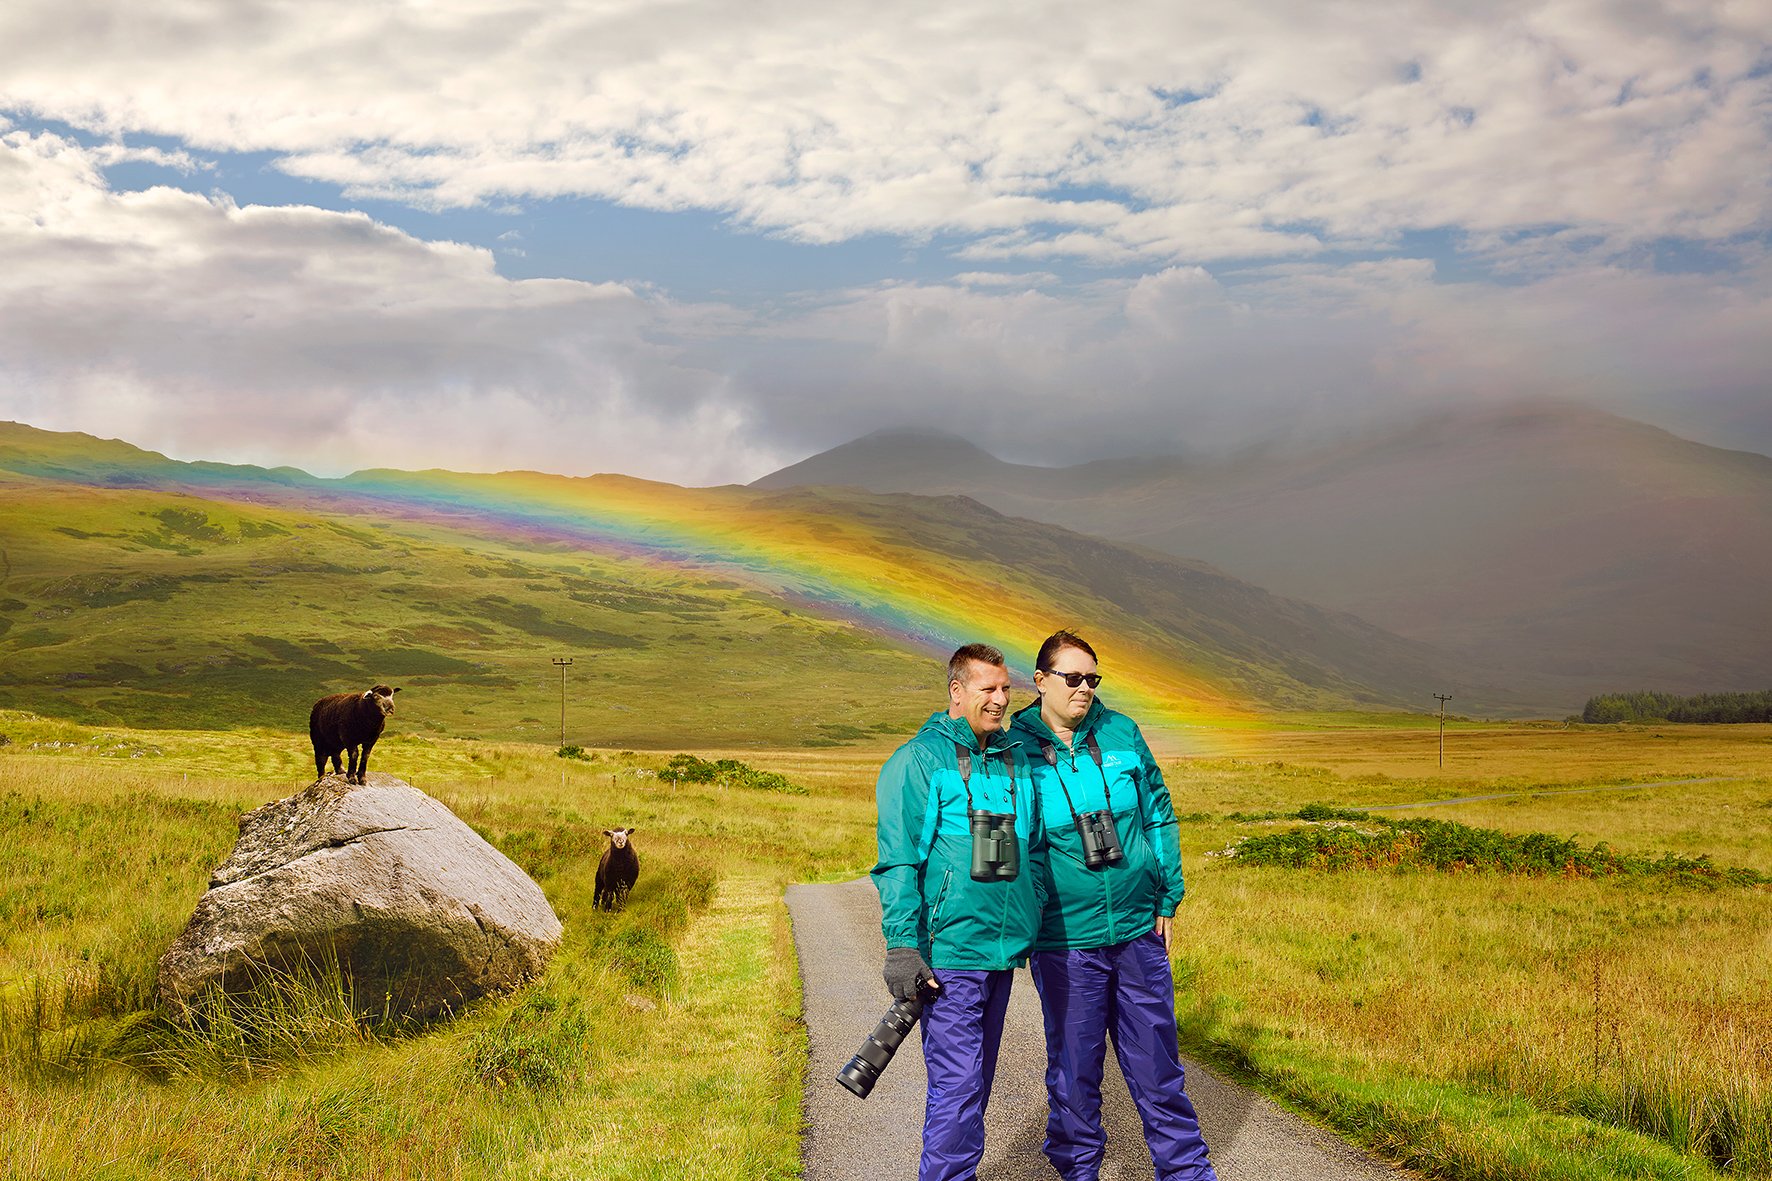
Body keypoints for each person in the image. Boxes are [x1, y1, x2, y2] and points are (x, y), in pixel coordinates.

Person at [1009, 630, 1216, 1181]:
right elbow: (1009, 845)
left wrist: (1168, 894)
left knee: (1157, 1065)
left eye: (1093, 679)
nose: (1084, 688)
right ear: (1041, 680)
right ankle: (1079, 1169)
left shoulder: (1122, 731)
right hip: (1065, 941)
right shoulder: (1014, 748)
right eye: (1072, 678)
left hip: (1136, 932)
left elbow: (1159, 813)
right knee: (1075, 1070)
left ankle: (1186, 1172)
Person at [871, 642, 1048, 1181]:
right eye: (987, 689)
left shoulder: (1015, 760)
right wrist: (903, 944)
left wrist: (1033, 909)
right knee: (958, 1086)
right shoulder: (918, 761)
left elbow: (1033, 848)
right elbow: (898, 859)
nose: (999, 700)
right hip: (947, 957)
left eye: (1005, 689)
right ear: (956, 690)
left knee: (978, 1083)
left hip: (1001, 954)